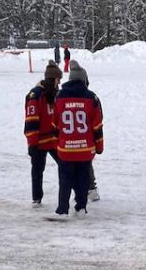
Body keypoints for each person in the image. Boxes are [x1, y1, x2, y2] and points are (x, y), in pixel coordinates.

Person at [52, 61, 102, 218]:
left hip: (65, 148)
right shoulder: (92, 98)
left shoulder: (59, 97)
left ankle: (62, 209)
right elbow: (97, 126)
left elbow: (55, 124)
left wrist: (58, 142)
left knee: (65, 180)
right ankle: (81, 207)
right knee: (83, 178)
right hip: (85, 149)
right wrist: (99, 146)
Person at [25, 60, 63, 207]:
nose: (59, 83)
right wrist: (32, 143)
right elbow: (31, 120)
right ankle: (36, 198)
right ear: (53, 79)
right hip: (39, 140)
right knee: (37, 170)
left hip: (53, 139)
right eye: (58, 80)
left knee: (66, 165)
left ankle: (76, 191)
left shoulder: (55, 94)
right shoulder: (35, 95)